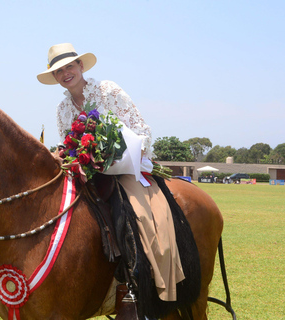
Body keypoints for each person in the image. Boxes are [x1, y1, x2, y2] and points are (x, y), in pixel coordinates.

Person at [37, 43, 184, 302]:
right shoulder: (62, 110)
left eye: (69, 66)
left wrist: (113, 157)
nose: (65, 74)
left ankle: (141, 284)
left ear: (80, 66)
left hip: (126, 169)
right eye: (59, 71)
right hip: (87, 175)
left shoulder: (108, 90)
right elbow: (69, 144)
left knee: (143, 217)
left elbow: (142, 131)